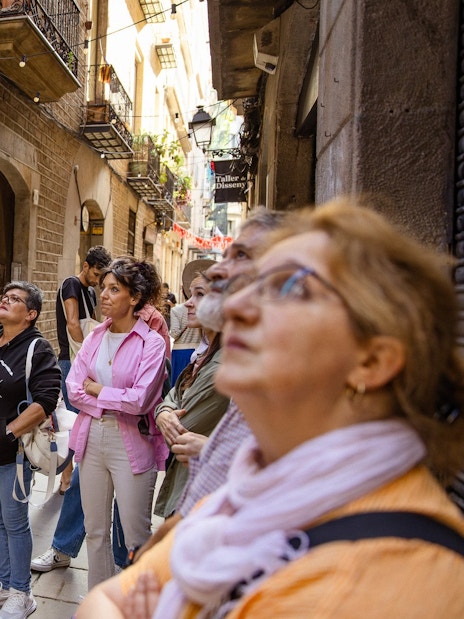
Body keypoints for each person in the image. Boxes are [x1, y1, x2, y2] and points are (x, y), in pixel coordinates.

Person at [77, 198, 464, 618]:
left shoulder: (393, 574)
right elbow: (106, 600)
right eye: (252, 285)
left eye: (287, 288)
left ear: (371, 361)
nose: (238, 306)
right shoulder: (249, 491)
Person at [132, 209, 287, 559]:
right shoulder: (228, 355)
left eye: (241, 256)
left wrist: (212, 448)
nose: (219, 272)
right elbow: (173, 396)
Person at [66, 257, 168, 590]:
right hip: (92, 438)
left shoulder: (151, 343)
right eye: (102, 288)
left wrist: (98, 390)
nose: (104, 295)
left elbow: (140, 401)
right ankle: (98, 603)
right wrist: (109, 397)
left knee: (136, 534)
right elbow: (73, 389)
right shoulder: (95, 336)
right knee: (95, 531)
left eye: (114, 289)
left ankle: (143, 605)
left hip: (132, 445)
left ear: (134, 298)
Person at [0, 282, 61, 619]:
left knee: (15, 523)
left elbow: (45, 400)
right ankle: (5, 584)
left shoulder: (37, 348)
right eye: (4, 296)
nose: (6, 301)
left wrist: (9, 433)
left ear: (31, 314)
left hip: (15, 451)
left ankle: (22, 593)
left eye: (16, 299)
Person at [154, 270, 230, 519]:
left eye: (200, 295)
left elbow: (181, 430)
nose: (188, 302)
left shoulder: (221, 365)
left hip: (199, 493)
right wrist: (164, 412)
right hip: (188, 485)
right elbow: (174, 394)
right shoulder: (204, 352)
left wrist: (165, 415)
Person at [56, 245, 111, 494]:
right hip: (71, 361)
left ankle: (72, 478)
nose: (99, 281)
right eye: (97, 274)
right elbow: (72, 322)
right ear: (86, 266)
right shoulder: (71, 284)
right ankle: (66, 479)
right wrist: (82, 353)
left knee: (78, 422)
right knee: (72, 422)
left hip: (80, 363)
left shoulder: (89, 292)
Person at [169, 260, 215, 384]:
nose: (188, 303)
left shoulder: (221, 361)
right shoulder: (201, 353)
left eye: (200, 294)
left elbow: (174, 333)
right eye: (191, 294)